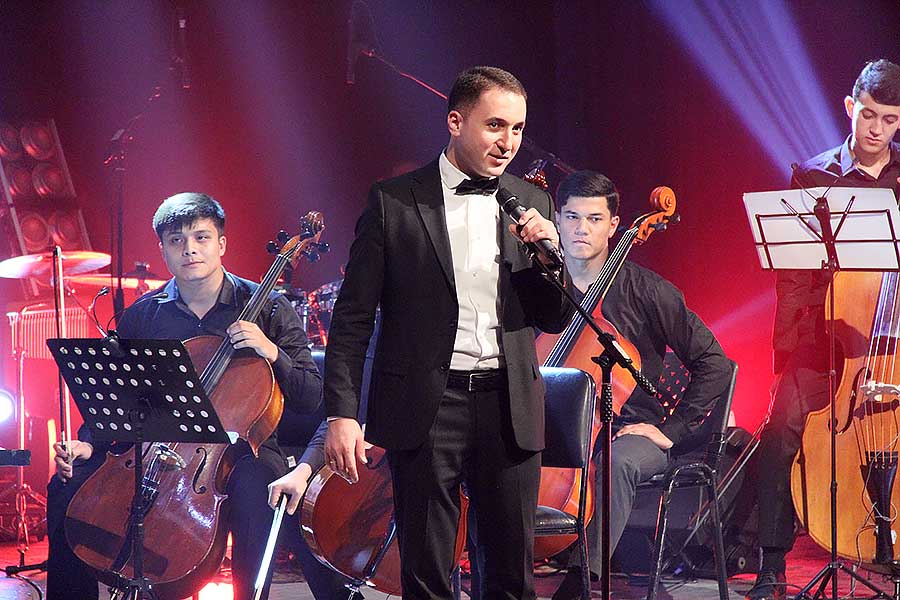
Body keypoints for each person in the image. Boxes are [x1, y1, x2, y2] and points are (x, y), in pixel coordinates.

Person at [320, 66, 572, 600]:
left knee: (511, 578)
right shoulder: (393, 201)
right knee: (427, 575)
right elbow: (352, 319)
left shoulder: (532, 201)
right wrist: (342, 413)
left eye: (518, 129)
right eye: (495, 126)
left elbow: (553, 317)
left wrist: (552, 256)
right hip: (427, 406)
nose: (508, 143)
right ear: (456, 122)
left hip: (508, 404)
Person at [46, 192, 323, 600]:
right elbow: (122, 395)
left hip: (242, 452)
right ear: (162, 250)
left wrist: (270, 351)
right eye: (176, 240)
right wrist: (89, 444)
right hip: (156, 447)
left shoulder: (270, 308)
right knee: (65, 488)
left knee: (256, 492)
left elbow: (310, 396)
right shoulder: (144, 314)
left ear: (221, 244)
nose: (190, 249)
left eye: (201, 237)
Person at [746, 59, 900, 600]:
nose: (876, 129)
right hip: (826, 335)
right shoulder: (813, 177)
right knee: (780, 428)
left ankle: (890, 543)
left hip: (894, 340)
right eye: (868, 115)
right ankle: (771, 567)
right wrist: (787, 356)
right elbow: (793, 277)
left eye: (890, 119)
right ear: (850, 107)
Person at [541, 170, 732, 599]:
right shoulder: (544, 284)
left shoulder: (647, 291)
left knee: (617, 463)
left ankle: (581, 582)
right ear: (557, 220)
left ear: (613, 225)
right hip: (550, 428)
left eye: (594, 219)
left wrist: (671, 430)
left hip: (629, 431)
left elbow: (715, 364)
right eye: (572, 217)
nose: (581, 229)